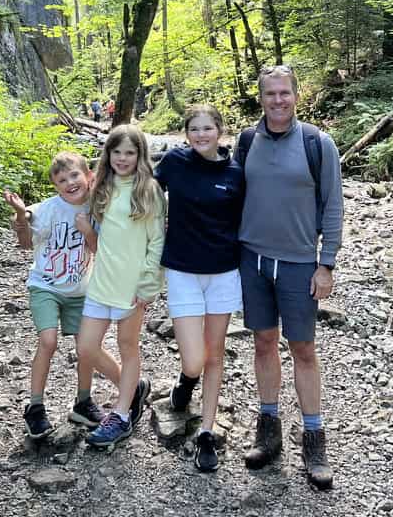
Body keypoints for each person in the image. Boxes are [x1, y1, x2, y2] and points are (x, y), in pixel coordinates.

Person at [236, 65, 343, 490]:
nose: (277, 101)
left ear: (296, 95)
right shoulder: (247, 141)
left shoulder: (318, 143)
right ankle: (269, 428)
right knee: (263, 342)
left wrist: (327, 263)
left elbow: (333, 204)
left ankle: (314, 438)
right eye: (270, 94)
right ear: (259, 97)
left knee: (303, 348)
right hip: (253, 259)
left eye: (284, 93)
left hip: (300, 262)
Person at [3, 151, 122, 440]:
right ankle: (35, 407)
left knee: (87, 347)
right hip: (45, 286)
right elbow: (26, 232)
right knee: (48, 340)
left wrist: (88, 231)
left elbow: (101, 252)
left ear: (89, 177)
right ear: (55, 186)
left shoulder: (97, 209)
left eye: (73, 176)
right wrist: (21, 213)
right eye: (61, 180)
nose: (69, 183)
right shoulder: (49, 209)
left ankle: (84, 401)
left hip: (81, 290)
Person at [154, 104, 245, 472]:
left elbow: (251, 218)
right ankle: (186, 380)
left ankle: (206, 432)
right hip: (182, 270)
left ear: (220, 131)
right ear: (186, 133)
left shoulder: (237, 173)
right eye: (195, 129)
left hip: (223, 271)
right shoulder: (174, 163)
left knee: (216, 353)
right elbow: (139, 190)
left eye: (208, 128)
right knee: (195, 359)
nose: (202, 135)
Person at [77, 124, 165, 450]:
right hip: (101, 282)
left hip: (132, 287)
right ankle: (134, 388)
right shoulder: (101, 186)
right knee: (86, 347)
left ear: (140, 155)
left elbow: (157, 242)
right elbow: (67, 192)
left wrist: (149, 284)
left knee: (128, 346)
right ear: (108, 154)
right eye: (117, 152)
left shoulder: (149, 191)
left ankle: (122, 414)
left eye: (130, 152)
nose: (123, 158)